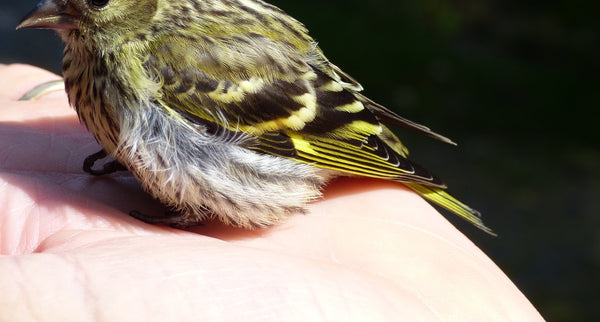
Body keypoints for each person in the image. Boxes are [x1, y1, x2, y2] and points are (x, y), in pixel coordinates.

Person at [0, 64, 541, 320]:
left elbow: (296, 133)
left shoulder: (168, 69)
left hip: (306, 147)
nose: (56, 11)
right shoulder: (112, 56)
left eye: (93, 3)